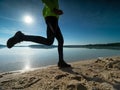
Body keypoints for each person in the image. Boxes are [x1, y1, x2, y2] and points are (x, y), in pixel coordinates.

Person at [7, 0, 71, 68]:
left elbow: (44, 10)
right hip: (51, 18)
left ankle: (61, 62)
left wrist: (49, 14)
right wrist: (53, 9)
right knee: (49, 41)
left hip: (53, 19)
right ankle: (22, 37)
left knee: (60, 40)